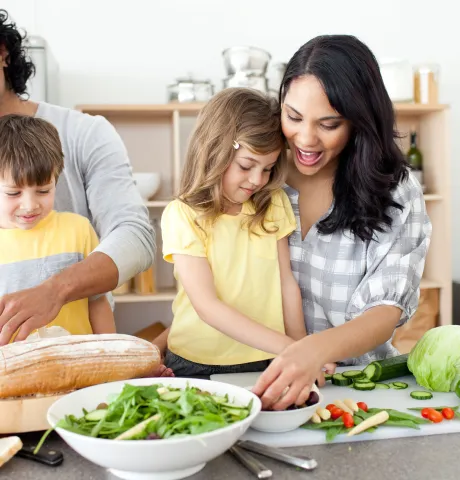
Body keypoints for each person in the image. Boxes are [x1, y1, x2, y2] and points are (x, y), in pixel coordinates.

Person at [252, 35, 432, 409]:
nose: (305, 139)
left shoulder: (396, 192)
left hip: (360, 390)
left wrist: (312, 351)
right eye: (293, 117)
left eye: (328, 124)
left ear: (359, 120)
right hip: (259, 383)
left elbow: (383, 312)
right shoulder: (259, 176)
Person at [0, 9, 156, 344]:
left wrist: (55, 290)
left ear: (2, 53)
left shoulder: (84, 132)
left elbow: (135, 237)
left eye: (42, 189)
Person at [153, 87, 307, 376]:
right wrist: (290, 348)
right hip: (196, 362)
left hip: (267, 358)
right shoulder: (183, 214)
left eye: (268, 168)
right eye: (246, 166)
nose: (257, 180)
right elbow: (207, 307)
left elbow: (287, 284)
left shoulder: (273, 204)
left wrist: (302, 348)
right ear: (214, 152)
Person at [0, 114, 116, 336]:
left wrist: (115, 358)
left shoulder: (78, 230)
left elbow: (98, 303)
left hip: (79, 364)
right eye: (14, 193)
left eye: (43, 191)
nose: (29, 205)